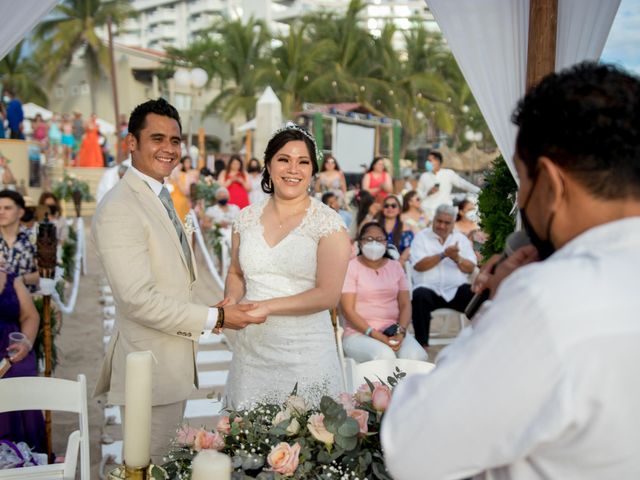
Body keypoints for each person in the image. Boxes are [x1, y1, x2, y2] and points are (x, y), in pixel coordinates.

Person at [382, 62, 640, 479]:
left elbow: (413, 449)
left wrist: (497, 306)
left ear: (552, 185)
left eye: (523, 181)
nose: (522, 204)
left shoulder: (549, 297)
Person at [91, 98, 266, 462]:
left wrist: (209, 312)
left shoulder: (159, 194)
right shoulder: (121, 207)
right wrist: (215, 319)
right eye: (157, 138)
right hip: (147, 368)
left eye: (175, 140)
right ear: (132, 144)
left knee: (163, 460)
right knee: (148, 464)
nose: (169, 149)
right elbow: (137, 299)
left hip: (171, 363)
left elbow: (170, 280)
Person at [224, 122, 351, 409]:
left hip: (306, 355)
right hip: (252, 352)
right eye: (284, 159)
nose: (293, 169)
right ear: (268, 165)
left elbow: (328, 295)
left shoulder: (328, 224)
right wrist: (231, 298)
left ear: (312, 171)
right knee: (247, 443)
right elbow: (236, 272)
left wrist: (268, 306)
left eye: (303, 162)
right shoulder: (245, 219)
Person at [340, 222, 428, 362]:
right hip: (359, 333)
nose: (374, 243)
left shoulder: (395, 267)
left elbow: (405, 304)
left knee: (414, 356)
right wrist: (377, 335)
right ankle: (382, 385)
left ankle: (408, 385)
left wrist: (401, 332)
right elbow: (348, 310)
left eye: (379, 239)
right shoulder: (351, 267)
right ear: (360, 242)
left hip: (393, 331)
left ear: (386, 242)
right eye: (369, 239)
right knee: (384, 355)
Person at [408, 204, 475, 347]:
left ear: (453, 223)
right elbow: (419, 265)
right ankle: (422, 346)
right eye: (439, 221)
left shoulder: (460, 239)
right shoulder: (421, 237)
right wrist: (443, 254)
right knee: (419, 296)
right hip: (429, 290)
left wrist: (457, 258)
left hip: (455, 290)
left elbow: (470, 268)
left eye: (447, 223)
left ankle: (481, 341)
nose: (442, 226)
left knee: (476, 294)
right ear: (433, 220)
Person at [0, 260, 45, 453]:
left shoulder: (9, 278)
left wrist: (25, 343)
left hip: (11, 349)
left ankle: (27, 455)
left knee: (19, 372)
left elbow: (30, 316)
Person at [417, 151, 480, 219]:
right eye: (427, 160)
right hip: (427, 210)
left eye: (430, 160)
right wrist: (428, 193)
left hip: (444, 211)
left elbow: (463, 184)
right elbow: (418, 193)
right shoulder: (424, 176)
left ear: (437, 161)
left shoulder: (448, 174)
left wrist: (480, 191)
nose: (427, 163)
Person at [0, 190, 39, 291]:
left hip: (26, 302)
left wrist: (21, 280)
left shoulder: (33, 240)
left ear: (20, 212)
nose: (1, 212)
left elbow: (45, 273)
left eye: (7, 208)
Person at [375, 195, 413, 264]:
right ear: (382, 209)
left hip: (399, 265)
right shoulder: (374, 226)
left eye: (393, 206)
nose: (390, 208)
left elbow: (409, 248)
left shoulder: (406, 228)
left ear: (399, 210)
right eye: (386, 206)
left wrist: (400, 262)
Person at [168, 156, 195, 222]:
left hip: (182, 205)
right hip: (169, 205)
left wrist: (178, 180)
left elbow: (186, 192)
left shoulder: (185, 175)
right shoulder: (167, 176)